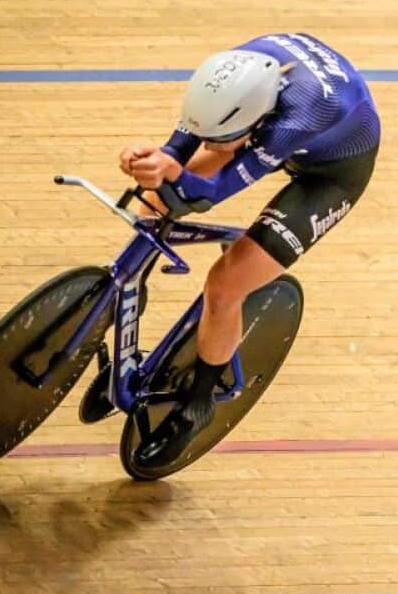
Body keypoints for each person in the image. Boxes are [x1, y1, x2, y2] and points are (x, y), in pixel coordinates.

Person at [116, 33, 380, 467]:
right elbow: (179, 148)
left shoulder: (298, 119)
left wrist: (171, 172)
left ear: (257, 120)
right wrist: (153, 159)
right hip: (280, 122)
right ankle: (130, 291)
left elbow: (208, 193)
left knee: (224, 286)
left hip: (331, 174)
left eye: (221, 137)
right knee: (154, 200)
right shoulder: (231, 73)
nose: (209, 144)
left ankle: (198, 405)